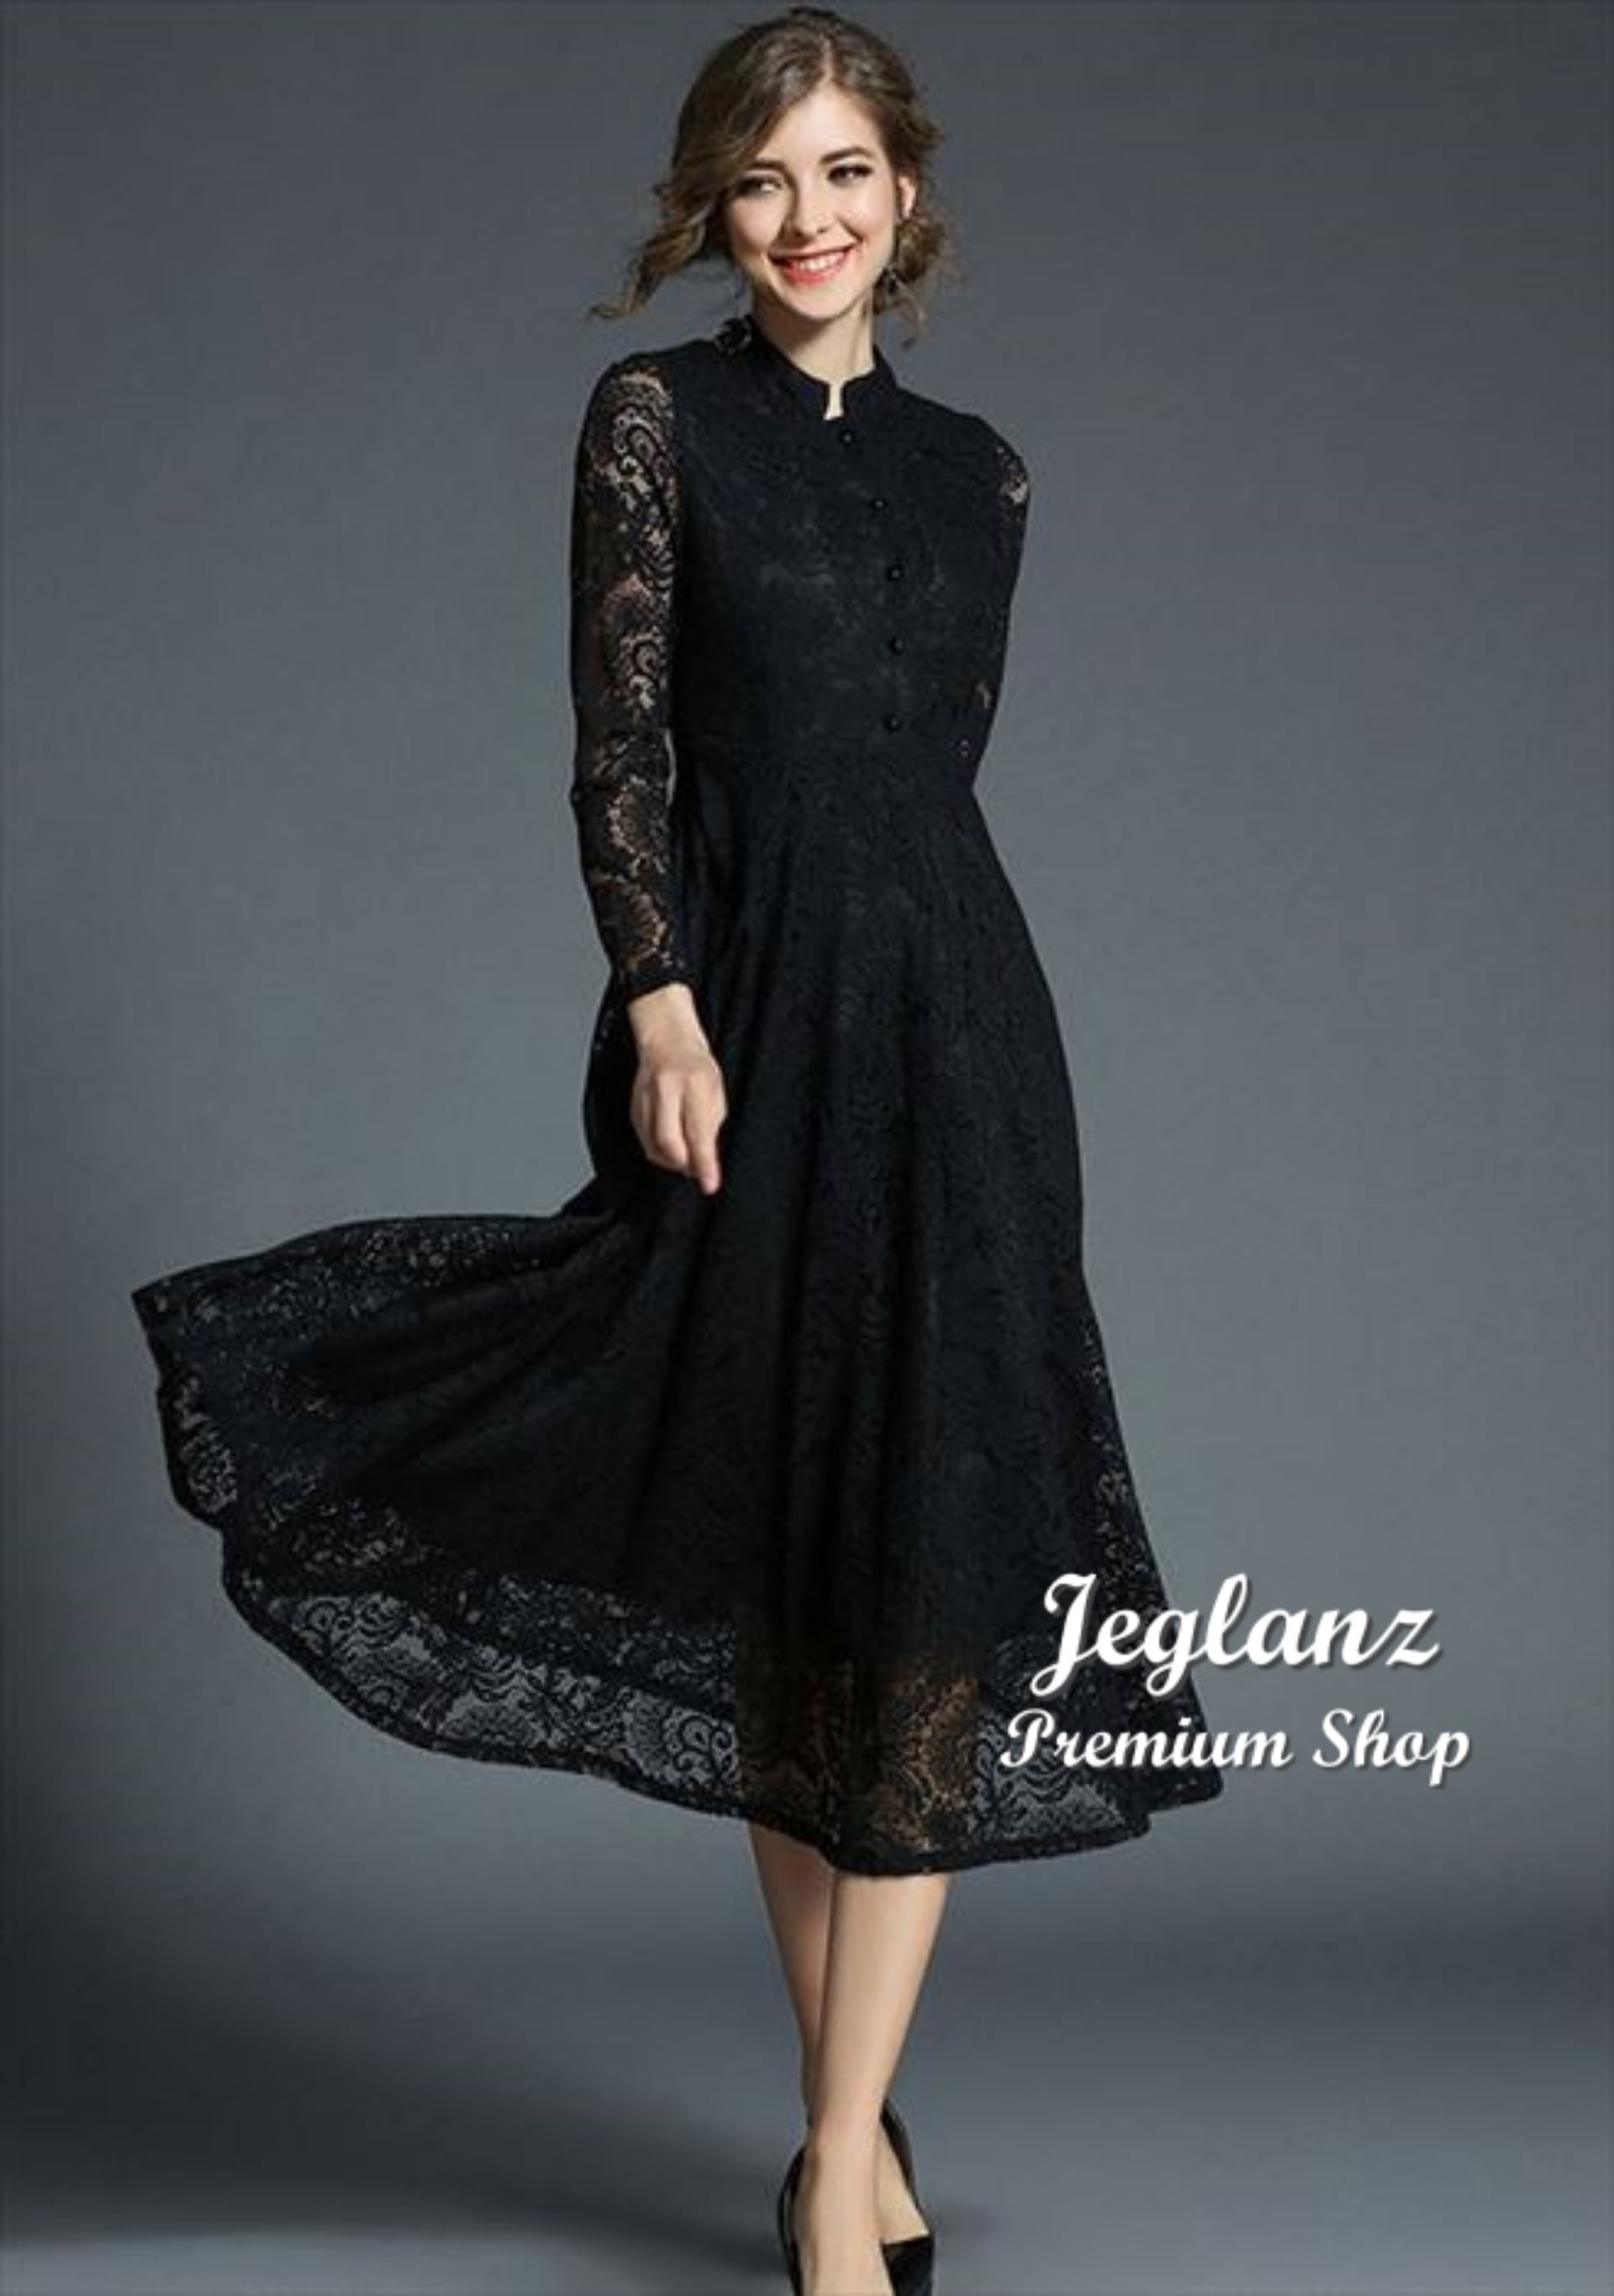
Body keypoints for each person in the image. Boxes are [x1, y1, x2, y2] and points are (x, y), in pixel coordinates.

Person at [130, 8, 1226, 2293]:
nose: (809, 219)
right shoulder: (658, 421)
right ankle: (847, 2128)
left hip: (966, 1050)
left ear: (906, 192)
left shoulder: (986, 474)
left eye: (846, 172)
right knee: (779, 1579)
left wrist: (917, 1004)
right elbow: (622, 748)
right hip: (735, 1034)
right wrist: (658, 997)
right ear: (712, 208)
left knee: (920, 1574)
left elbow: (929, 779)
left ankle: (834, 2153)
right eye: (763, 179)